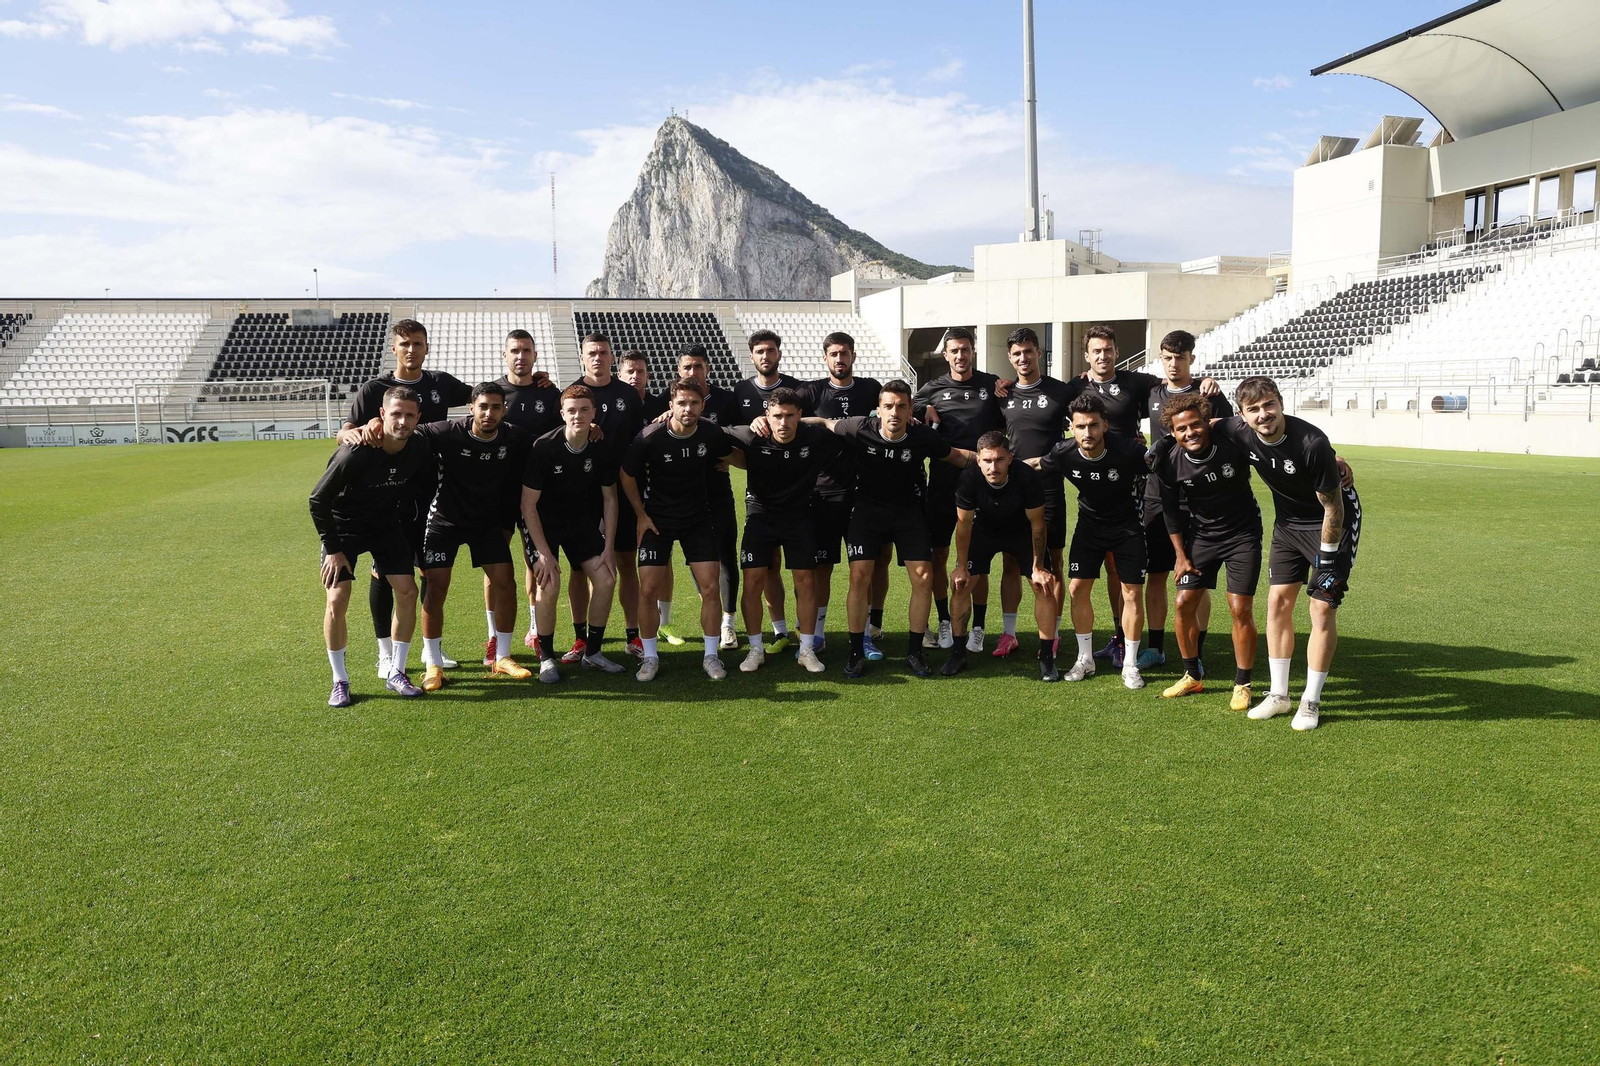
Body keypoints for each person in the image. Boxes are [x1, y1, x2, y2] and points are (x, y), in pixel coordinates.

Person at [1064, 324, 1220, 670]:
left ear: (1117, 352)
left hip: (1145, 482)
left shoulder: (1142, 384)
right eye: (1096, 351)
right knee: (1125, 567)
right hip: (1137, 490)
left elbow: (1197, 400)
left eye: (1108, 350)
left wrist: (1208, 381)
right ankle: (1125, 639)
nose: (1103, 356)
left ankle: (1195, 649)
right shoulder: (1076, 386)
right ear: (1087, 355)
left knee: (1189, 572)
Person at [1213, 376, 1361, 731]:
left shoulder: (1311, 443)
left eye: (1269, 405)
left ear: (1280, 403)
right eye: (1254, 409)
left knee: (1321, 607)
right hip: (1288, 526)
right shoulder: (1239, 430)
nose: (1263, 414)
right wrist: (1163, 440)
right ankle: (1279, 696)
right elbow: (1205, 424)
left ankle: (1311, 700)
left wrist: (1326, 559)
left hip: (1331, 524)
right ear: (1242, 414)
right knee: (1277, 603)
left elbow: (1334, 510)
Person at [800, 380, 973, 679]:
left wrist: (1003, 463)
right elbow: (825, 422)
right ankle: (856, 651)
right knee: (859, 575)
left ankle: (914, 651)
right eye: (889, 406)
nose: (895, 412)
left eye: (902, 406)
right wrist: (773, 420)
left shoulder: (921, 437)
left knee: (924, 575)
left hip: (909, 513)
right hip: (867, 511)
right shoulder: (859, 427)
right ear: (878, 409)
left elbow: (957, 456)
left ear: (910, 411)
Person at [339, 318, 471, 679]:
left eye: (418, 343)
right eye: (405, 344)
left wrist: (537, 382)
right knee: (384, 571)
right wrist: (359, 430)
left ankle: (432, 651)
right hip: (385, 496)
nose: (411, 350)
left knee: (429, 568)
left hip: (429, 493)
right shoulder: (374, 389)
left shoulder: (441, 384)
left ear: (426, 348)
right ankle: (385, 653)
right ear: (394, 349)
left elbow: (484, 396)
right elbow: (344, 433)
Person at [310, 386, 431, 707]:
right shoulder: (356, 453)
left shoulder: (418, 446)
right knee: (337, 599)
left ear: (418, 418)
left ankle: (397, 672)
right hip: (343, 530)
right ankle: (340, 681)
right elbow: (317, 500)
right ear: (381, 415)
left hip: (384, 526)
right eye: (395, 414)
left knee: (407, 592)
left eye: (409, 415)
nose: (402, 421)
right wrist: (333, 549)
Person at [411, 383, 533, 690]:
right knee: (436, 588)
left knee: (506, 582)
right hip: (444, 522)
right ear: (471, 408)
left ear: (504, 410)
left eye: (495, 407)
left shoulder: (514, 436)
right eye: (483, 407)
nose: (489, 413)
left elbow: (548, 444)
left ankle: (502, 657)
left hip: (486, 523)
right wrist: (372, 425)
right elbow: (409, 430)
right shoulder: (446, 432)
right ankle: (433, 663)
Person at [1146, 392, 1262, 710]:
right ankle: (1192, 675)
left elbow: (1266, 441)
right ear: (1173, 433)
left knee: (1239, 609)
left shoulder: (1231, 442)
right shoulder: (1170, 462)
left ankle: (1243, 684)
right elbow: (1171, 513)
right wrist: (1181, 557)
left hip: (1243, 536)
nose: (1191, 433)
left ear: (1206, 423)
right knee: (1183, 603)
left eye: (1196, 425)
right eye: (1182, 429)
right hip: (1202, 538)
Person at [620, 378, 738, 681]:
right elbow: (626, 473)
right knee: (647, 590)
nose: (688, 408)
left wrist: (730, 462)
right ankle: (649, 657)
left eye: (694, 403)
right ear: (670, 405)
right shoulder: (650, 437)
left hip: (698, 520)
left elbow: (735, 453)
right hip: (657, 520)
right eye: (682, 402)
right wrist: (640, 514)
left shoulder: (711, 432)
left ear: (703, 405)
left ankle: (711, 657)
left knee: (711, 588)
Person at [1030, 393, 1150, 688]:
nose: (1088, 432)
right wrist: (989, 463)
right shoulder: (1063, 452)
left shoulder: (1128, 452)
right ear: (1071, 427)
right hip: (1089, 526)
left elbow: (1164, 468)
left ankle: (1131, 664)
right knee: (1076, 588)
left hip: (1127, 526)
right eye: (1081, 426)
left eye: (1094, 425)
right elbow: (1035, 465)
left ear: (1105, 425)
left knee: (1132, 592)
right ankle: (1086, 659)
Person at [724, 387, 840, 674]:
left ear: (800, 416)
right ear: (766, 416)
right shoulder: (752, 435)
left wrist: (817, 421)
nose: (783, 423)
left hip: (799, 517)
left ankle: (806, 650)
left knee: (806, 582)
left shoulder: (814, 436)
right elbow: (712, 429)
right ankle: (755, 648)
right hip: (760, 516)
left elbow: (841, 425)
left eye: (790, 416)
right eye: (777, 416)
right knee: (752, 581)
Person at [1138, 329, 1234, 672]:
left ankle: (1198, 649)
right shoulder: (1150, 392)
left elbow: (1232, 432)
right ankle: (1154, 647)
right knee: (1157, 573)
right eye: (1167, 357)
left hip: (1199, 499)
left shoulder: (1208, 393)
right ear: (1160, 358)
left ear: (1192, 358)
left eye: (1180, 357)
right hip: (1157, 496)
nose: (1174, 363)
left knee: (1197, 575)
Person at [915, 326, 1012, 655]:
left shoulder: (990, 384)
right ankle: (944, 620)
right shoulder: (930, 389)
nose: (960, 355)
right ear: (946, 355)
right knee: (938, 555)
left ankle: (980, 626)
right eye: (954, 350)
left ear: (973, 352)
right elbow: (897, 407)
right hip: (942, 484)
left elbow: (1006, 421)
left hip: (984, 484)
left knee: (977, 560)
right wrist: (920, 409)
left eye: (965, 349)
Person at [520, 383, 625, 683]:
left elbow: (610, 498)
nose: (577, 415)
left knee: (606, 579)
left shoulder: (599, 446)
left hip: (579, 521)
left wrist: (609, 549)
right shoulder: (544, 447)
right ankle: (548, 658)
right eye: (571, 410)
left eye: (584, 410)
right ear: (562, 413)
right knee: (549, 583)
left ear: (594, 412)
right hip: (543, 523)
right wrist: (543, 553)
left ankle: (592, 654)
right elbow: (528, 505)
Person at [798, 331, 887, 658]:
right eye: (834, 354)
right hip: (822, 493)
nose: (840, 359)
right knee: (821, 567)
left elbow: (892, 411)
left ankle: (862, 635)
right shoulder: (811, 391)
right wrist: (824, 423)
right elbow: (786, 416)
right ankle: (817, 634)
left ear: (853, 356)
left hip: (863, 492)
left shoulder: (870, 388)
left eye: (844, 353)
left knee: (862, 567)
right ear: (825, 358)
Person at [945, 431, 1060, 681]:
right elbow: (963, 525)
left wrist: (1038, 566)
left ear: (1010, 457)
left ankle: (1047, 660)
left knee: (1044, 587)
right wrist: (961, 566)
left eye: (999, 460)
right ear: (978, 461)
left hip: (1021, 531)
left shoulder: (1026, 476)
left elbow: (1038, 524)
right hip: (984, 531)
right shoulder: (969, 478)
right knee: (960, 585)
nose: (993, 467)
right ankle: (957, 654)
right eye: (987, 461)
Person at [563, 333, 646, 663]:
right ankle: (581, 639)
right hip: (581, 494)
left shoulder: (628, 394)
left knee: (626, 563)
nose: (598, 357)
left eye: (603, 353)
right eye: (592, 353)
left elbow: (639, 440)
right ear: (583, 357)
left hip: (622, 491)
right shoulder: (572, 393)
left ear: (613, 358)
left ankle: (632, 634)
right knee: (579, 569)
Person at [996, 327, 1074, 655]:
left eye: (1028, 351)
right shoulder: (1003, 393)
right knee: (1012, 562)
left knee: (1052, 561)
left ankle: (1052, 635)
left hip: (1049, 489)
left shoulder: (1060, 391)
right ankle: (1009, 633)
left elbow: (1083, 429)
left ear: (1039, 353)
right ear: (1010, 358)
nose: (1023, 358)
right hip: (1013, 491)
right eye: (1016, 354)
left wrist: (1048, 459)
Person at [660, 345, 742, 650]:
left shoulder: (726, 399)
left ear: (708, 369)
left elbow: (744, 432)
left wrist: (728, 455)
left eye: (698, 366)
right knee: (696, 560)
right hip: (682, 496)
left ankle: (728, 623)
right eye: (687, 367)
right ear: (678, 372)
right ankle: (711, 613)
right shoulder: (670, 402)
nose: (692, 372)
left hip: (718, 491)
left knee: (725, 557)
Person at [731, 330, 808, 652]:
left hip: (797, 497)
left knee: (800, 573)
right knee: (765, 568)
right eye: (760, 351)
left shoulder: (797, 390)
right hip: (760, 497)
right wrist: (753, 425)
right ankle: (776, 631)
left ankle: (806, 636)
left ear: (779, 353)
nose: (766, 356)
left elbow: (813, 425)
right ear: (752, 356)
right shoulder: (741, 390)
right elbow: (732, 433)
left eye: (771, 350)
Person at [490, 329, 563, 667]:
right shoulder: (493, 393)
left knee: (534, 561)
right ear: (505, 355)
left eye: (527, 350)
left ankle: (534, 630)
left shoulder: (549, 393)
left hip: (539, 493)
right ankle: (494, 635)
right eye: (515, 350)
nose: (521, 356)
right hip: (498, 492)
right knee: (493, 564)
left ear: (536, 355)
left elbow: (569, 425)